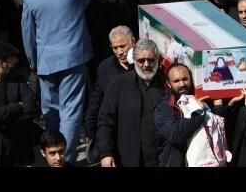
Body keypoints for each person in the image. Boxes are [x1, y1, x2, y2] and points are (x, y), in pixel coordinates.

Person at [22, 0, 120, 163]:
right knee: (70, 112)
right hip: (72, 58)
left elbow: (27, 34)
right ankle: (65, 159)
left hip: (46, 62)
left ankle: (53, 157)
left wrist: (33, 62)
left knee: (50, 111)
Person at [96, 39, 166, 167]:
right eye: (141, 60)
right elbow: (105, 121)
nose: (146, 64)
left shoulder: (165, 85)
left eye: (151, 60)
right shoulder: (119, 84)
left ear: (158, 60)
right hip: (127, 158)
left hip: (160, 159)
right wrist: (105, 153)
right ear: (134, 60)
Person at [154, 63, 214, 167]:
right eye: (176, 81)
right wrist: (198, 112)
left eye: (185, 79)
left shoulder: (202, 99)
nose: (182, 84)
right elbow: (176, 134)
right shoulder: (163, 107)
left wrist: (219, 106)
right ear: (168, 84)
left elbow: (216, 131)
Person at [85, 26, 134, 149]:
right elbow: (96, 99)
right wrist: (90, 130)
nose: (119, 52)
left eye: (122, 46)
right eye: (115, 48)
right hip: (116, 130)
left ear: (133, 41)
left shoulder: (143, 64)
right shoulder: (105, 68)